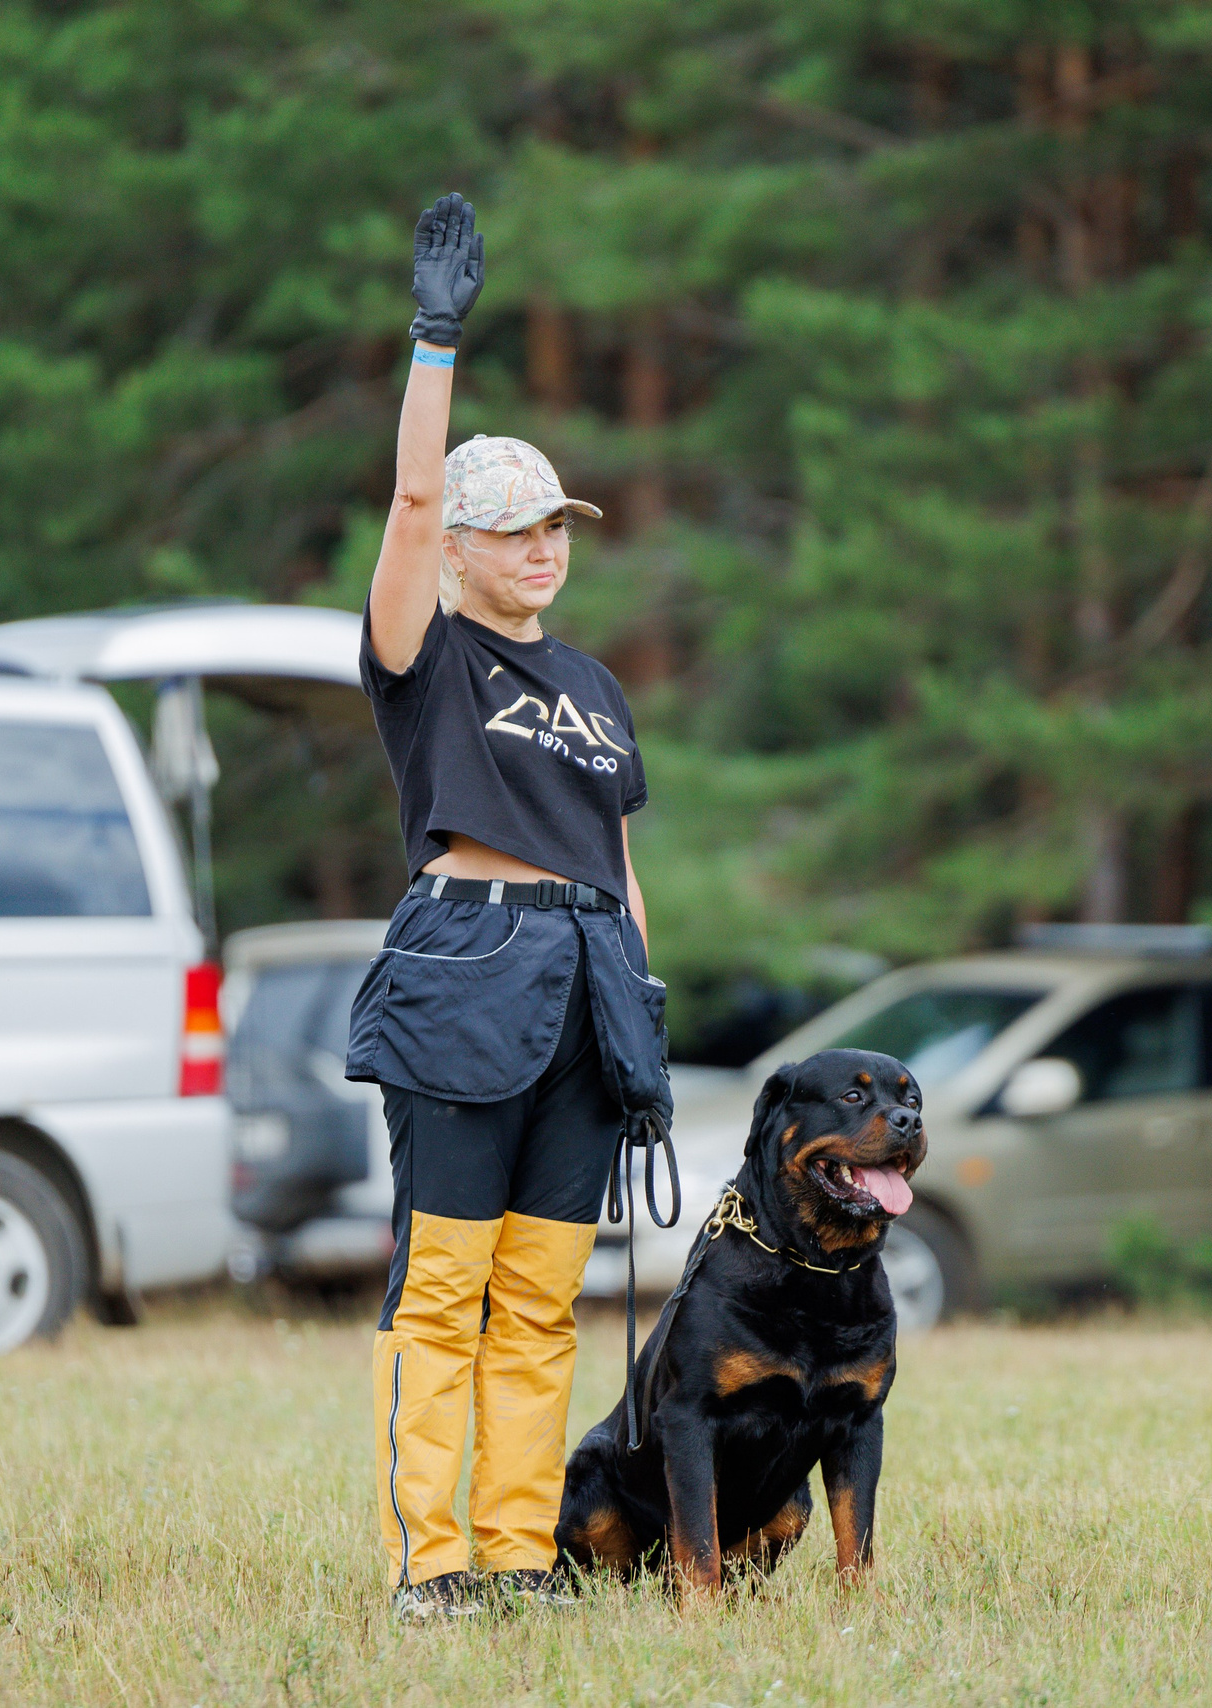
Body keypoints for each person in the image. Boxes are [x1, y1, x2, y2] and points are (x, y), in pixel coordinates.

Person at [343, 193, 674, 1625]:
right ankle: (432, 1568)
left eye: (556, 527)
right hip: (467, 967)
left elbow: (618, 854)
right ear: (466, 548)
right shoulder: (425, 655)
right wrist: (435, 343)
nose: (542, 549)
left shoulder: (593, 688)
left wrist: (643, 1008)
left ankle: (518, 1555)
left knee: (544, 1305)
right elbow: (411, 502)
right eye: (513, 529)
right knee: (445, 1294)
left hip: (588, 975)